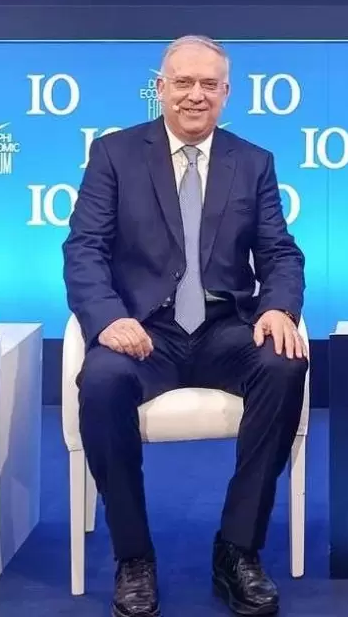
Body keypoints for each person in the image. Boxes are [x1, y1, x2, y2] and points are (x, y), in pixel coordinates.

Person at [63, 35, 308, 617]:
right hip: (145, 332)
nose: (195, 95)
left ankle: (238, 549)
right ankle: (133, 557)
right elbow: (84, 249)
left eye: (209, 85)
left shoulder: (252, 162)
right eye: (183, 82)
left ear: (226, 93)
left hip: (225, 327)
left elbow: (280, 252)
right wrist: (108, 319)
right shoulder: (115, 154)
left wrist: (278, 307)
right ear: (160, 87)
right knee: (101, 382)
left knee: (283, 365)